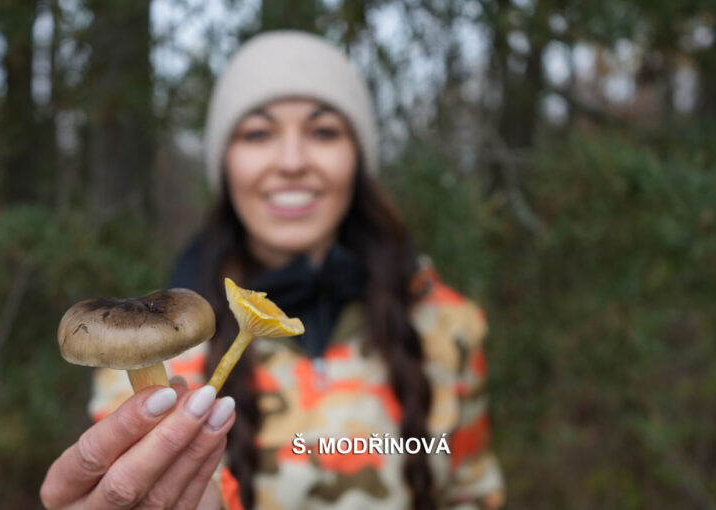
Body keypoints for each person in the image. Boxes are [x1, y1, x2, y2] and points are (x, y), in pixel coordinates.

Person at [41, 30, 505, 509]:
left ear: (359, 159)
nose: (291, 162)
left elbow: (471, 494)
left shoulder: (448, 328)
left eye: (323, 131)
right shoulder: (146, 354)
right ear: (225, 165)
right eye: (258, 133)